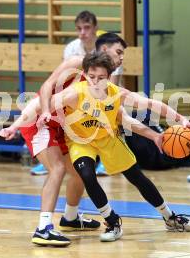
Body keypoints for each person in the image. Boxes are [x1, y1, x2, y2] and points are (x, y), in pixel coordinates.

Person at [1, 52, 190, 242]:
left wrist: (180, 119)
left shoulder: (117, 94)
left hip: (108, 139)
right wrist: (14, 126)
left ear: (109, 77)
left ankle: (170, 217)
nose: (96, 82)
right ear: (85, 75)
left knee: (136, 176)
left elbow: (150, 105)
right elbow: (35, 106)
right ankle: (112, 221)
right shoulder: (74, 93)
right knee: (86, 174)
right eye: (92, 76)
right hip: (80, 142)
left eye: (101, 77)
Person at [0, 33, 126, 247]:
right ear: (104, 50)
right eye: (119, 52)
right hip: (41, 120)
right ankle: (43, 228)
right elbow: (46, 89)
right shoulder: (78, 64)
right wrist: (16, 125)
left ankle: (70, 217)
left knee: (81, 171)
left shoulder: (103, 79)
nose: (122, 58)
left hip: (61, 126)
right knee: (57, 168)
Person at [31, 12, 122, 176]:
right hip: (79, 92)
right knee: (55, 112)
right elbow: (66, 79)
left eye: (86, 28)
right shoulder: (72, 48)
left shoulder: (109, 49)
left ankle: (105, 159)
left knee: (112, 112)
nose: (82, 33)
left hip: (105, 92)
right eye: (79, 29)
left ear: (95, 28)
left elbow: (111, 85)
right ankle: (51, 158)